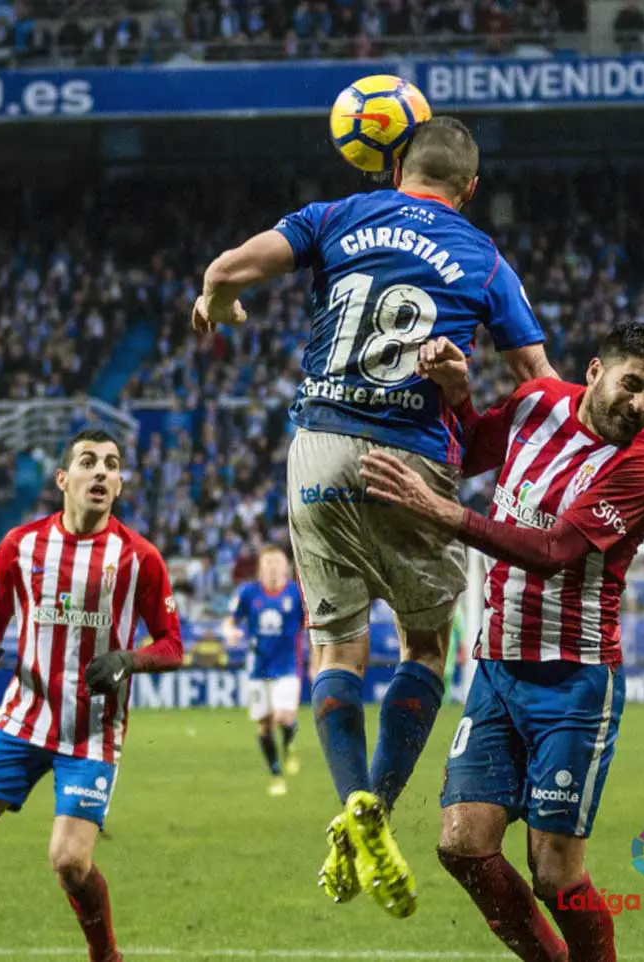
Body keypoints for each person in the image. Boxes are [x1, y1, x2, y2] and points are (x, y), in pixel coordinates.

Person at [192, 116, 555, 918]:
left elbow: (226, 269)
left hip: (318, 447)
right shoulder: (484, 258)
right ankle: (379, 805)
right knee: (423, 646)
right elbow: (539, 380)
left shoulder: (333, 216)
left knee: (336, 647)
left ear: (395, 168)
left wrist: (218, 304)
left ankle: (352, 796)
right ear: (471, 188)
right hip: (413, 459)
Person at [359, 323, 644, 962]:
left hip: (575, 682)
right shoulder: (537, 403)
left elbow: (555, 552)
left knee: (556, 878)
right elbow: (473, 448)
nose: (641, 405)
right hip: (498, 672)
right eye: (633, 384)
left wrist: (447, 514)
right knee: (462, 847)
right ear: (595, 372)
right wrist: (457, 396)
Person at [0, 428, 183, 962]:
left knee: (69, 863)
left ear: (121, 484)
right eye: (88, 461)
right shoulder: (20, 546)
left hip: (92, 734)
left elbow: (173, 645)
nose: (101, 471)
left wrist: (129, 660)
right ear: (64, 478)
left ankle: (106, 957)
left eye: (111, 464)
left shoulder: (139, 559)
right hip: (24, 717)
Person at [221, 546, 307, 797]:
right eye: (268, 563)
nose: (272, 567)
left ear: (286, 567)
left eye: (277, 563)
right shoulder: (248, 592)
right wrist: (230, 632)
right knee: (265, 726)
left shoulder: (296, 593)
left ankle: (289, 744)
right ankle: (276, 773)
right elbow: (229, 620)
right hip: (258, 668)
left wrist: (315, 658)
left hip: (288, 665)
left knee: (283, 717)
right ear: (260, 567)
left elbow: (310, 626)